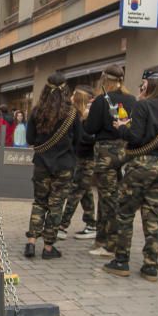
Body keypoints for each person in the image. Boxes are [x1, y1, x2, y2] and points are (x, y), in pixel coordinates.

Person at [103, 66, 158, 280]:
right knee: (153, 215)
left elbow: (135, 138)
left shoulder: (143, 106)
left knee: (125, 212)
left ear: (151, 83)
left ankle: (121, 261)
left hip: (141, 165)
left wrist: (121, 126)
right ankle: (150, 265)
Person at [24, 73, 82, 259]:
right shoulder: (72, 113)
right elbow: (79, 141)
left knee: (39, 202)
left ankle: (31, 242)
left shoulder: (36, 111)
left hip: (41, 164)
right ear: (66, 91)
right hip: (64, 166)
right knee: (56, 206)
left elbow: (30, 139)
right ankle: (48, 248)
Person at [84, 65, 138, 257]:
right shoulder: (132, 100)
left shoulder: (101, 100)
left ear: (105, 79)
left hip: (106, 153)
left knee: (107, 199)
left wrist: (86, 118)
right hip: (126, 152)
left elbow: (90, 128)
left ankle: (109, 244)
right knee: (119, 197)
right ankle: (103, 239)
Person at [60, 85, 97, 238]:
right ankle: (91, 224)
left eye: (74, 95)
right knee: (85, 191)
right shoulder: (77, 116)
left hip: (86, 159)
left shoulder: (88, 117)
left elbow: (88, 138)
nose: (71, 97)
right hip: (80, 158)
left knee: (75, 191)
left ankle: (62, 226)